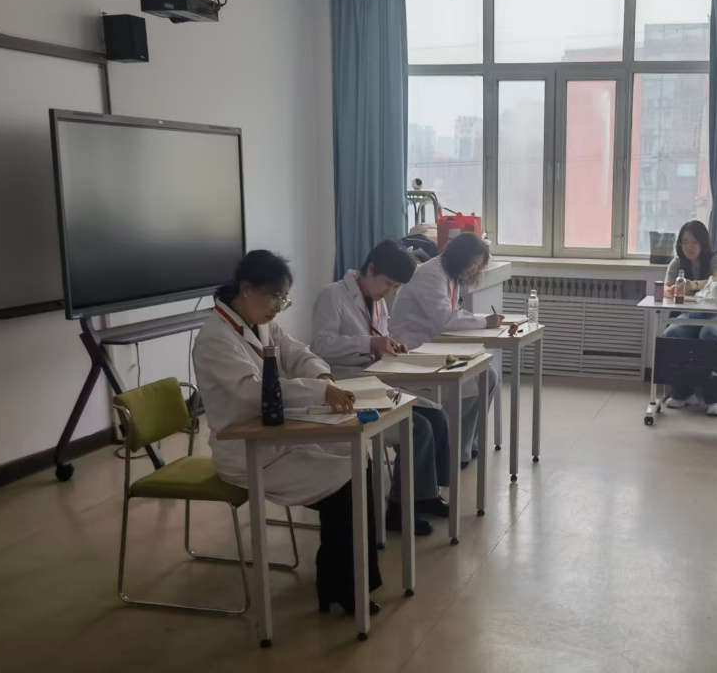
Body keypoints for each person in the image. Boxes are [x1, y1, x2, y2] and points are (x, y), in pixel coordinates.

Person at [192, 250, 381, 617]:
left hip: (277, 438)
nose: (278, 307)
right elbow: (255, 391)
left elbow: (296, 352)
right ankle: (343, 586)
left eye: (284, 298)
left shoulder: (260, 323)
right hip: (246, 451)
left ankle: (344, 578)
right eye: (274, 296)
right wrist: (319, 391)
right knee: (349, 478)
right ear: (247, 288)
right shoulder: (215, 337)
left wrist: (322, 376)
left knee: (358, 458)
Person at [311, 239, 452, 537]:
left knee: (438, 416)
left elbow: (379, 338)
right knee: (418, 428)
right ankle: (399, 509)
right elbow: (321, 346)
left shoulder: (378, 302)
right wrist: (370, 343)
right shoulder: (333, 295)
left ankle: (425, 494)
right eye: (387, 284)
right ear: (370, 269)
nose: (389, 292)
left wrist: (390, 347)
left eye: (395, 287)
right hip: (347, 389)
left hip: (376, 384)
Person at [390, 232, 503, 467]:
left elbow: (452, 315)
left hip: (435, 347)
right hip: (413, 351)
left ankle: (467, 445)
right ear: (461, 257)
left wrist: (481, 321)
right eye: (474, 264)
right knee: (473, 381)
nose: (475, 270)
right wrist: (484, 322)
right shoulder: (431, 275)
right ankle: (454, 453)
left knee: (489, 375)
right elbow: (446, 320)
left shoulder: (449, 274)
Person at [663, 220, 717, 417]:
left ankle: (716, 398)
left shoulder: (716, 258)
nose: (689, 247)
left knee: (711, 333)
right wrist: (673, 290)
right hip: (691, 312)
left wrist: (693, 285)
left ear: (703, 242)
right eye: (685, 242)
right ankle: (683, 393)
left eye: (694, 242)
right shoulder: (677, 262)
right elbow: (667, 287)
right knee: (672, 333)